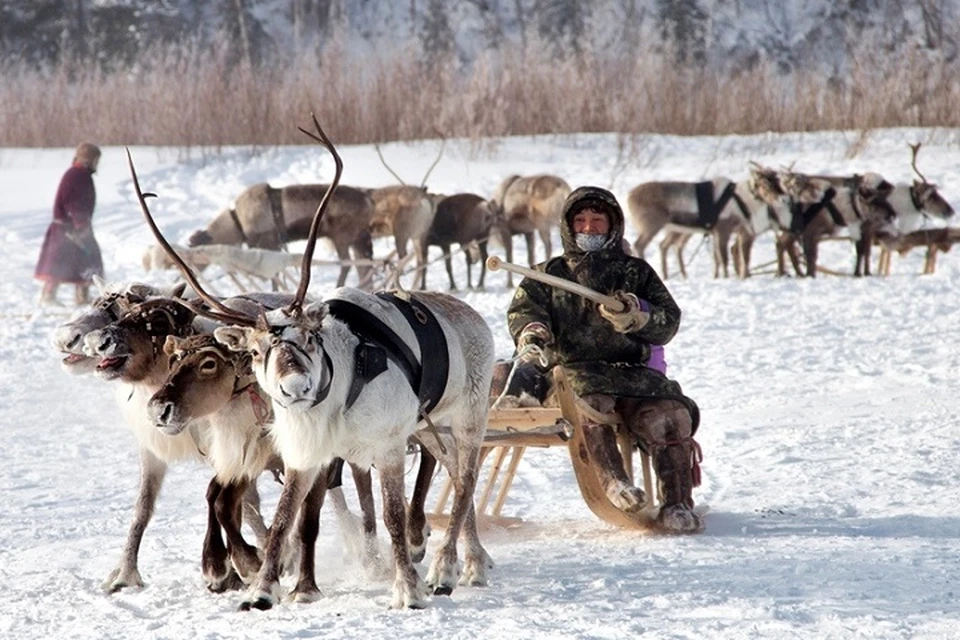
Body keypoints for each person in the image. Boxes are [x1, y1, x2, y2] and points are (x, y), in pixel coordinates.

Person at [507, 185, 703, 533]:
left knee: (671, 415)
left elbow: (668, 320)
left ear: (613, 224)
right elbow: (524, 312)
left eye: (597, 220)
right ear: (568, 226)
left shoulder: (637, 273)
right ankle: (614, 482)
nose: (588, 228)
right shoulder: (547, 274)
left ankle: (676, 503)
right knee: (588, 404)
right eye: (580, 220)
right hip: (574, 374)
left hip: (634, 375)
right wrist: (533, 333)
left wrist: (638, 317)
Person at [35, 142, 105, 306]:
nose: (97, 164)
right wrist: (80, 223)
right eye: (96, 160)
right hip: (67, 229)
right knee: (58, 263)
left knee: (87, 260)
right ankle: (48, 296)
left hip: (77, 227)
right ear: (90, 159)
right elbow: (73, 201)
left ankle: (82, 296)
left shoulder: (82, 175)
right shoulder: (76, 175)